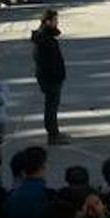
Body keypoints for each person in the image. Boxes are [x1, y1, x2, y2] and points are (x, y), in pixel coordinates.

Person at [32, 9, 70, 145]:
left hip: (51, 76)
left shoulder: (47, 37)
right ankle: (53, 135)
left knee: (52, 106)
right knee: (51, 107)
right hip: (50, 78)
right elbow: (47, 62)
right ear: (48, 21)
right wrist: (56, 75)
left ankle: (55, 132)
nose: (57, 23)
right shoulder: (45, 40)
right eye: (55, 20)